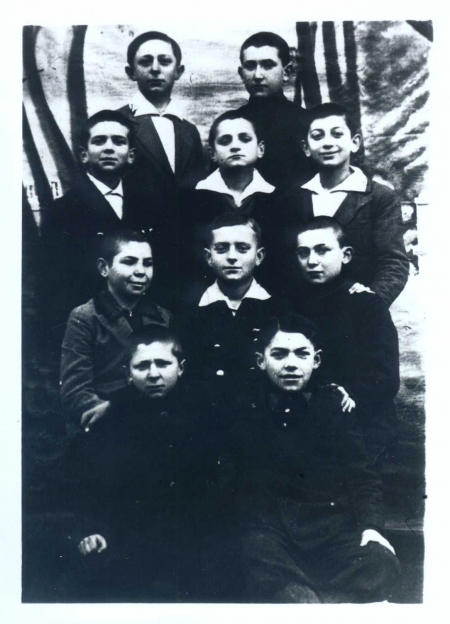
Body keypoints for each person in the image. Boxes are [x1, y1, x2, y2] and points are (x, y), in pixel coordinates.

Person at [227, 312, 401, 603]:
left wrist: (372, 527)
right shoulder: (245, 404)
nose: (291, 363)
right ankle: (310, 602)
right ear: (261, 361)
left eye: (301, 354)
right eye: (279, 354)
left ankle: (307, 602)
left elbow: (362, 475)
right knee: (257, 560)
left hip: (329, 528)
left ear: (316, 360)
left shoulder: (334, 404)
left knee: (381, 563)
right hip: (271, 530)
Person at [67, 326, 223, 601]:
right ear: (128, 373)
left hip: (196, 537)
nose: (153, 374)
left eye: (163, 363)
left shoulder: (206, 416)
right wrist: (91, 530)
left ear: (181, 367)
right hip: (131, 536)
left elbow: (220, 483)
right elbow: (89, 484)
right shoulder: (111, 422)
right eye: (142, 366)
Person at [41, 111, 154, 346]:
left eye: (119, 141)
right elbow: (55, 285)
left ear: (131, 155)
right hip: (92, 332)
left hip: (145, 328)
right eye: (99, 140)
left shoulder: (151, 205)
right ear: (84, 155)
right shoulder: (61, 212)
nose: (109, 148)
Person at [291, 217, 400, 461]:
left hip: (359, 417)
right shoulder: (291, 305)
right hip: (308, 414)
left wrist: (348, 393)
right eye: (303, 252)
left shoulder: (366, 304)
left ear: (346, 255)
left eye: (322, 250)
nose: (312, 261)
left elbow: (385, 377)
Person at [282, 102, 409, 306]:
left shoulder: (380, 197)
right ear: (306, 147)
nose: (327, 143)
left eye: (337, 134)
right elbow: (283, 261)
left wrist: (371, 302)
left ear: (355, 142)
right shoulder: (293, 198)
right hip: (301, 312)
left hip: (357, 316)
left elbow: (394, 262)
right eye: (317, 136)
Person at [117, 31, 206, 306]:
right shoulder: (118, 125)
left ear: (178, 71)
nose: (155, 68)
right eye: (146, 61)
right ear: (131, 72)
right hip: (141, 257)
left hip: (188, 258)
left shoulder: (189, 130)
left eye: (164, 61)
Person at [60, 230, 172, 434]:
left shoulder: (163, 318)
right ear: (104, 268)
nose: (141, 271)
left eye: (147, 263)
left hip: (157, 421)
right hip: (109, 424)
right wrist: (113, 411)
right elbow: (75, 391)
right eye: (129, 262)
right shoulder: (85, 317)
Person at [179, 212, 284, 404]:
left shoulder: (279, 309)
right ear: (208, 257)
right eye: (221, 249)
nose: (232, 257)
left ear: (259, 256)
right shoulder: (190, 310)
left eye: (242, 249)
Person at [180, 110, 279, 295]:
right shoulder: (189, 201)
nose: (235, 147)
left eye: (244, 139)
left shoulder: (279, 200)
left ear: (261, 149)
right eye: (225, 141)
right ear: (212, 153)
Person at [236, 32, 312, 189]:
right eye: (250, 66)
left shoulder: (307, 123)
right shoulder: (230, 124)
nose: (257, 75)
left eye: (268, 65)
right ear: (241, 74)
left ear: (287, 72)